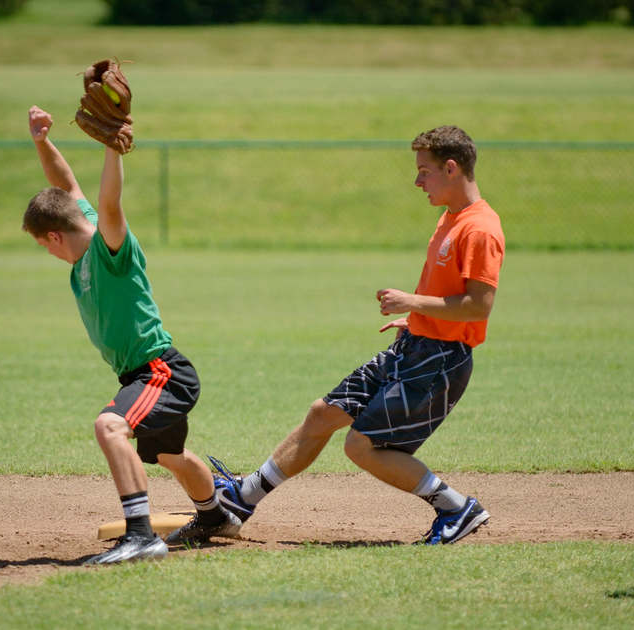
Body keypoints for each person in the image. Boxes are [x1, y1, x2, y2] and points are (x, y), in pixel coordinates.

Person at [209, 125, 503, 545]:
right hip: (417, 344)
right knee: (321, 414)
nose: (417, 180)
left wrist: (413, 303)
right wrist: (419, 319)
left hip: (440, 360)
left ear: (451, 168)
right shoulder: (451, 217)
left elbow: (479, 306)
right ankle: (243, 498)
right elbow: (452, 297)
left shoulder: (481, 228)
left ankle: (456, 507)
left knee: (360, 446)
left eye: (425, 171)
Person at [23, 106, 240, 564]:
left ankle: (140, 536)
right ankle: (216, 516)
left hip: (159, 371)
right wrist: (43, 141)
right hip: (142, 373)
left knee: (109, 426)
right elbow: (68, 187)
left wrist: (111, 148)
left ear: (55, 238)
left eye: (43, 244)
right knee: (170, 454)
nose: (46, 253)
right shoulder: (77, 231)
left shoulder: (109, 249)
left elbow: (109, 205)